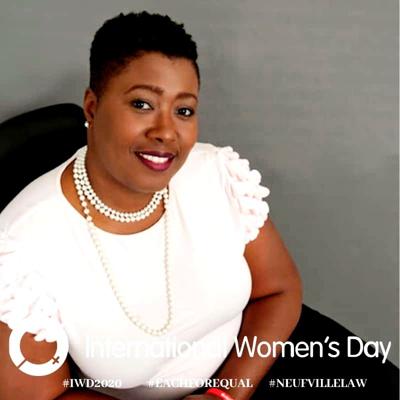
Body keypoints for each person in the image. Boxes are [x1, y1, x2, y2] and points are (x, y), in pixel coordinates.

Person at [2, 10, 396, 400]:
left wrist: (226, 394)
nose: (166, 132)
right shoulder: (21, 248)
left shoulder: (214, 173)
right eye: (142, 104)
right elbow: (44, 397)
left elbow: (278, 290)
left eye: (184, 110)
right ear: (92, 107)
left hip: (257, 359)